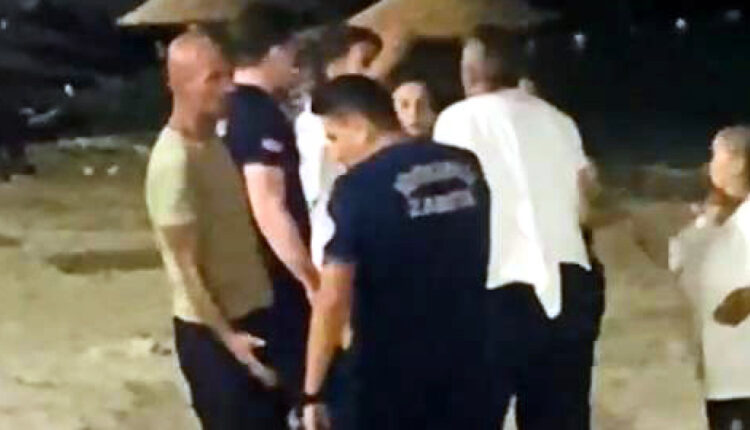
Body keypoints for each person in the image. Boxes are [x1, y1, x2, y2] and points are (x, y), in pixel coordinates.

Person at [434, 25, 604, 430]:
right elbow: (585, 205)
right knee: (560, 416)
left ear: (468, 71)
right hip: (566, 281)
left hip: (494, 285)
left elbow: (450, 210)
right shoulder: (558, 120)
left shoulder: (456, 121)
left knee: (473, 414)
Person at [302, 75, 493, 430]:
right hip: (471, 359)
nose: (334, 153)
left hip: (391, 374)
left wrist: (312, 391)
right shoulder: (466, 164)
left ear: (359, 127)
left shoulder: (356, 187)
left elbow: (333, 298)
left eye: (333, 137)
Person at [144, 31, 285, 429]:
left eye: (228, 74)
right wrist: (231, 341)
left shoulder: (214, 143)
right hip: (214, 331)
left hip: (255, 311)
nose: (228, 87)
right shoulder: (174, 162)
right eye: (213, 78)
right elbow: (186, 269)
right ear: (180, 84)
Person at [222, 4, 317, 405]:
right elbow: (268, 204)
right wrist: (309, 278)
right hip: (271, 276)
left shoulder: (224, 107)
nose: (295, 66)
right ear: (276, 51)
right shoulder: (260, 115)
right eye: (293, 55)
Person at [670, 126, 750, 430]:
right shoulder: (712, 221)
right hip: (722, 377)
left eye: (716, 155)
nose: (709, 165)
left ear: (738, 163)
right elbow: (674, 259)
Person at [295, 25, 383, 269]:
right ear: (333, 66)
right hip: (336, 236)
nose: (373, 72)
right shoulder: (314, 119)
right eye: (365, 62)